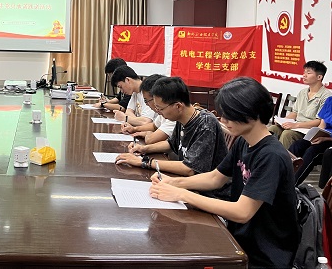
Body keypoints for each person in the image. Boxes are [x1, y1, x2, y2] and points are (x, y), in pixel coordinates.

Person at [149, 77, 299, 268]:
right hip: (240, 236)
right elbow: (215, 178)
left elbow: (242, 212)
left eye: (230, 115)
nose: (223, 120)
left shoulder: (271, 156)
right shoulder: (244, 141)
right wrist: (172, 182)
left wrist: (182, 194)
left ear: (252, 113)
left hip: (264, 253)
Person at [116, 76, 228, 178]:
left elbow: (189, 169)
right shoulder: (181, 118)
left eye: (161, 108)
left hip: (205, 189)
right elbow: (171, 144)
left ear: (178, 106)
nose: (158, 112)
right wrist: (144, 149)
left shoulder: (206, 124)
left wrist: (145, 162)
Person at [269, 60, 331, 149]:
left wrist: (296, 125)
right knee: (273, 128)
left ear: (319, 77)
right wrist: (283, 121)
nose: (304, 75)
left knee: (287, 134)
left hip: (307, 130)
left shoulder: (326, 96)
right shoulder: (302, 92)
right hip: (296, 125)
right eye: (304, 72)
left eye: (308, 73)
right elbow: (295, 112)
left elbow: (319, 121)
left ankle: (284, 158)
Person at [120, 74, 175, 144]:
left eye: (146, 101)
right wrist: (134, 129)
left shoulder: (171, 114)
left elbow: (150, 140)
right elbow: (154, 126)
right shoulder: (162, 112)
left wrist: (148, 133)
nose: (146, 104)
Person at [289, 95, 332, 184]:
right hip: (322, 136)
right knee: (298, 145)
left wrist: (325, 138)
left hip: (329, 140)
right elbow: (322, 124)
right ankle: (280, 175)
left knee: (312, 151)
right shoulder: (330, 100)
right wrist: (316, 134)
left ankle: (292, 184)